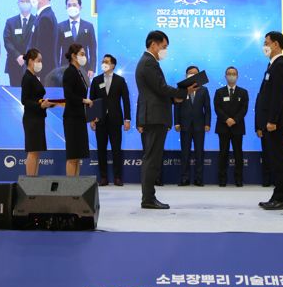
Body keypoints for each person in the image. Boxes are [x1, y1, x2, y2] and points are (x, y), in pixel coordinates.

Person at [135, 30, 196, 209]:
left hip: (154, 115)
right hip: (153, 117)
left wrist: (174, 97)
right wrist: (184, 92)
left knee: (152, 158)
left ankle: (149, 197)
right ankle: (147, 199)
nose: (165, 50)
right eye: (163, 47)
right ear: (153, 44)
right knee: (152, 159)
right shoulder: (148, 63)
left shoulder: (149, 62)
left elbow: (157, 90)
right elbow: (161, 87)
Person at [256, 31, 283, 210]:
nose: (265, 45)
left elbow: (279, 97)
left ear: (276, 44)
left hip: (275, 124)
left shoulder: (280, 65)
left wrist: (272, 120)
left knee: (279, 160)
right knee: (274, 159)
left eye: (267, 42)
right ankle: (277, 196)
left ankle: (281, 199)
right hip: (270, 123)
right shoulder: (272, 66)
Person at [89, 54, 131, 186]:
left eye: (106, 62)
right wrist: (91, 118)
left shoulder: (120, 80)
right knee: (101, 149)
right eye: (102, 61)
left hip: (115, 120)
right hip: (100, 120)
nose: (103, 63)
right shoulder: (96, 80)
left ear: (113, 65)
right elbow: (92, 101)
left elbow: (126, 100)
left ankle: (118, 177)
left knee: (116, 149)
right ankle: (103, 177)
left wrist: (127, 119)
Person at [174, 66, 211, 186]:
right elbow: (176, 106)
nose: (192, 75)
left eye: (195, 73)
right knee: (185, 152)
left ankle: (198, 178)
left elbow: (208, 109)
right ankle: (184, 178)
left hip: (200, 125)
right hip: (184, 125)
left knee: (199, 152)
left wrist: (207, 123)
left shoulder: (204, 90)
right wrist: (177, 122)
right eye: (190, 73)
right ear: (186, 76)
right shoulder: (181, 89)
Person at [21, 48, 54, 176]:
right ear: (30, 61)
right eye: (38, 60)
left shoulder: (34, 77)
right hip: (31, 119)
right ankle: (30, 181)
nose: (40, 63)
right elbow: (25, 101)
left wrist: (46, 104)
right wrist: (40, 106)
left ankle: (34, 179)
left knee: (36, 151)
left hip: (38, 118)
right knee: (32, 151)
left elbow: (36, 98)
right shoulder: (27, 77)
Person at [214, 66, 249, 187]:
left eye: (234, 74)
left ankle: (238, 179)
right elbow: (217, 108)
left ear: (237, 76)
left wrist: (234, 120)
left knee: (238, 154)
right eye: (229, 73)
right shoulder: (219, 92)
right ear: (225, 76)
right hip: (223, 127)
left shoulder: (243, 92)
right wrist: (227, 119)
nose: (231, 75)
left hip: (237, 127)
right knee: (223, 153)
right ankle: (222, 179)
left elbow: (244, 109)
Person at [62, 43, 93, 176]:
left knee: (78, 156)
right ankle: (70, 188)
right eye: (82, 54)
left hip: (80, 117)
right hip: (72, 118)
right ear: (74, 56)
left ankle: (76, 187)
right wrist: (83, 100)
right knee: (72, 155)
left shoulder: (79, 72)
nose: (84, 57)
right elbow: (68, 95)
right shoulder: (69, 72)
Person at [57, 0, 96, 80]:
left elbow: (93, 49)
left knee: (83, 91)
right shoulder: (60, 26)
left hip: (84, 67)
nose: (72, 7)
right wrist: (57, 68)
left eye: (74, 5)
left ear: (80, 7)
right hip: (65, 67)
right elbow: (56, 50)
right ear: (66, 7)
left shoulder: (88, 26)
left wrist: (92, 68)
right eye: (69, 5)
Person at [28, 0, 58, 84]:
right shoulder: (42, 15)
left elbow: (42, 49)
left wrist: (37, 73)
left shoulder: (45, 17)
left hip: (44, 71)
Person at [3, 0, 36, 86]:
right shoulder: (10, 22)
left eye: (27, 1)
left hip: (32, 63)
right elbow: (7, 41)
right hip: (14, 62)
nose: (25, 3)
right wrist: (17, 56)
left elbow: (38, 41)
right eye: (22, 1)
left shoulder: (37, 21)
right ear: (18, 3)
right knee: (15, 92)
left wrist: (27, 57)